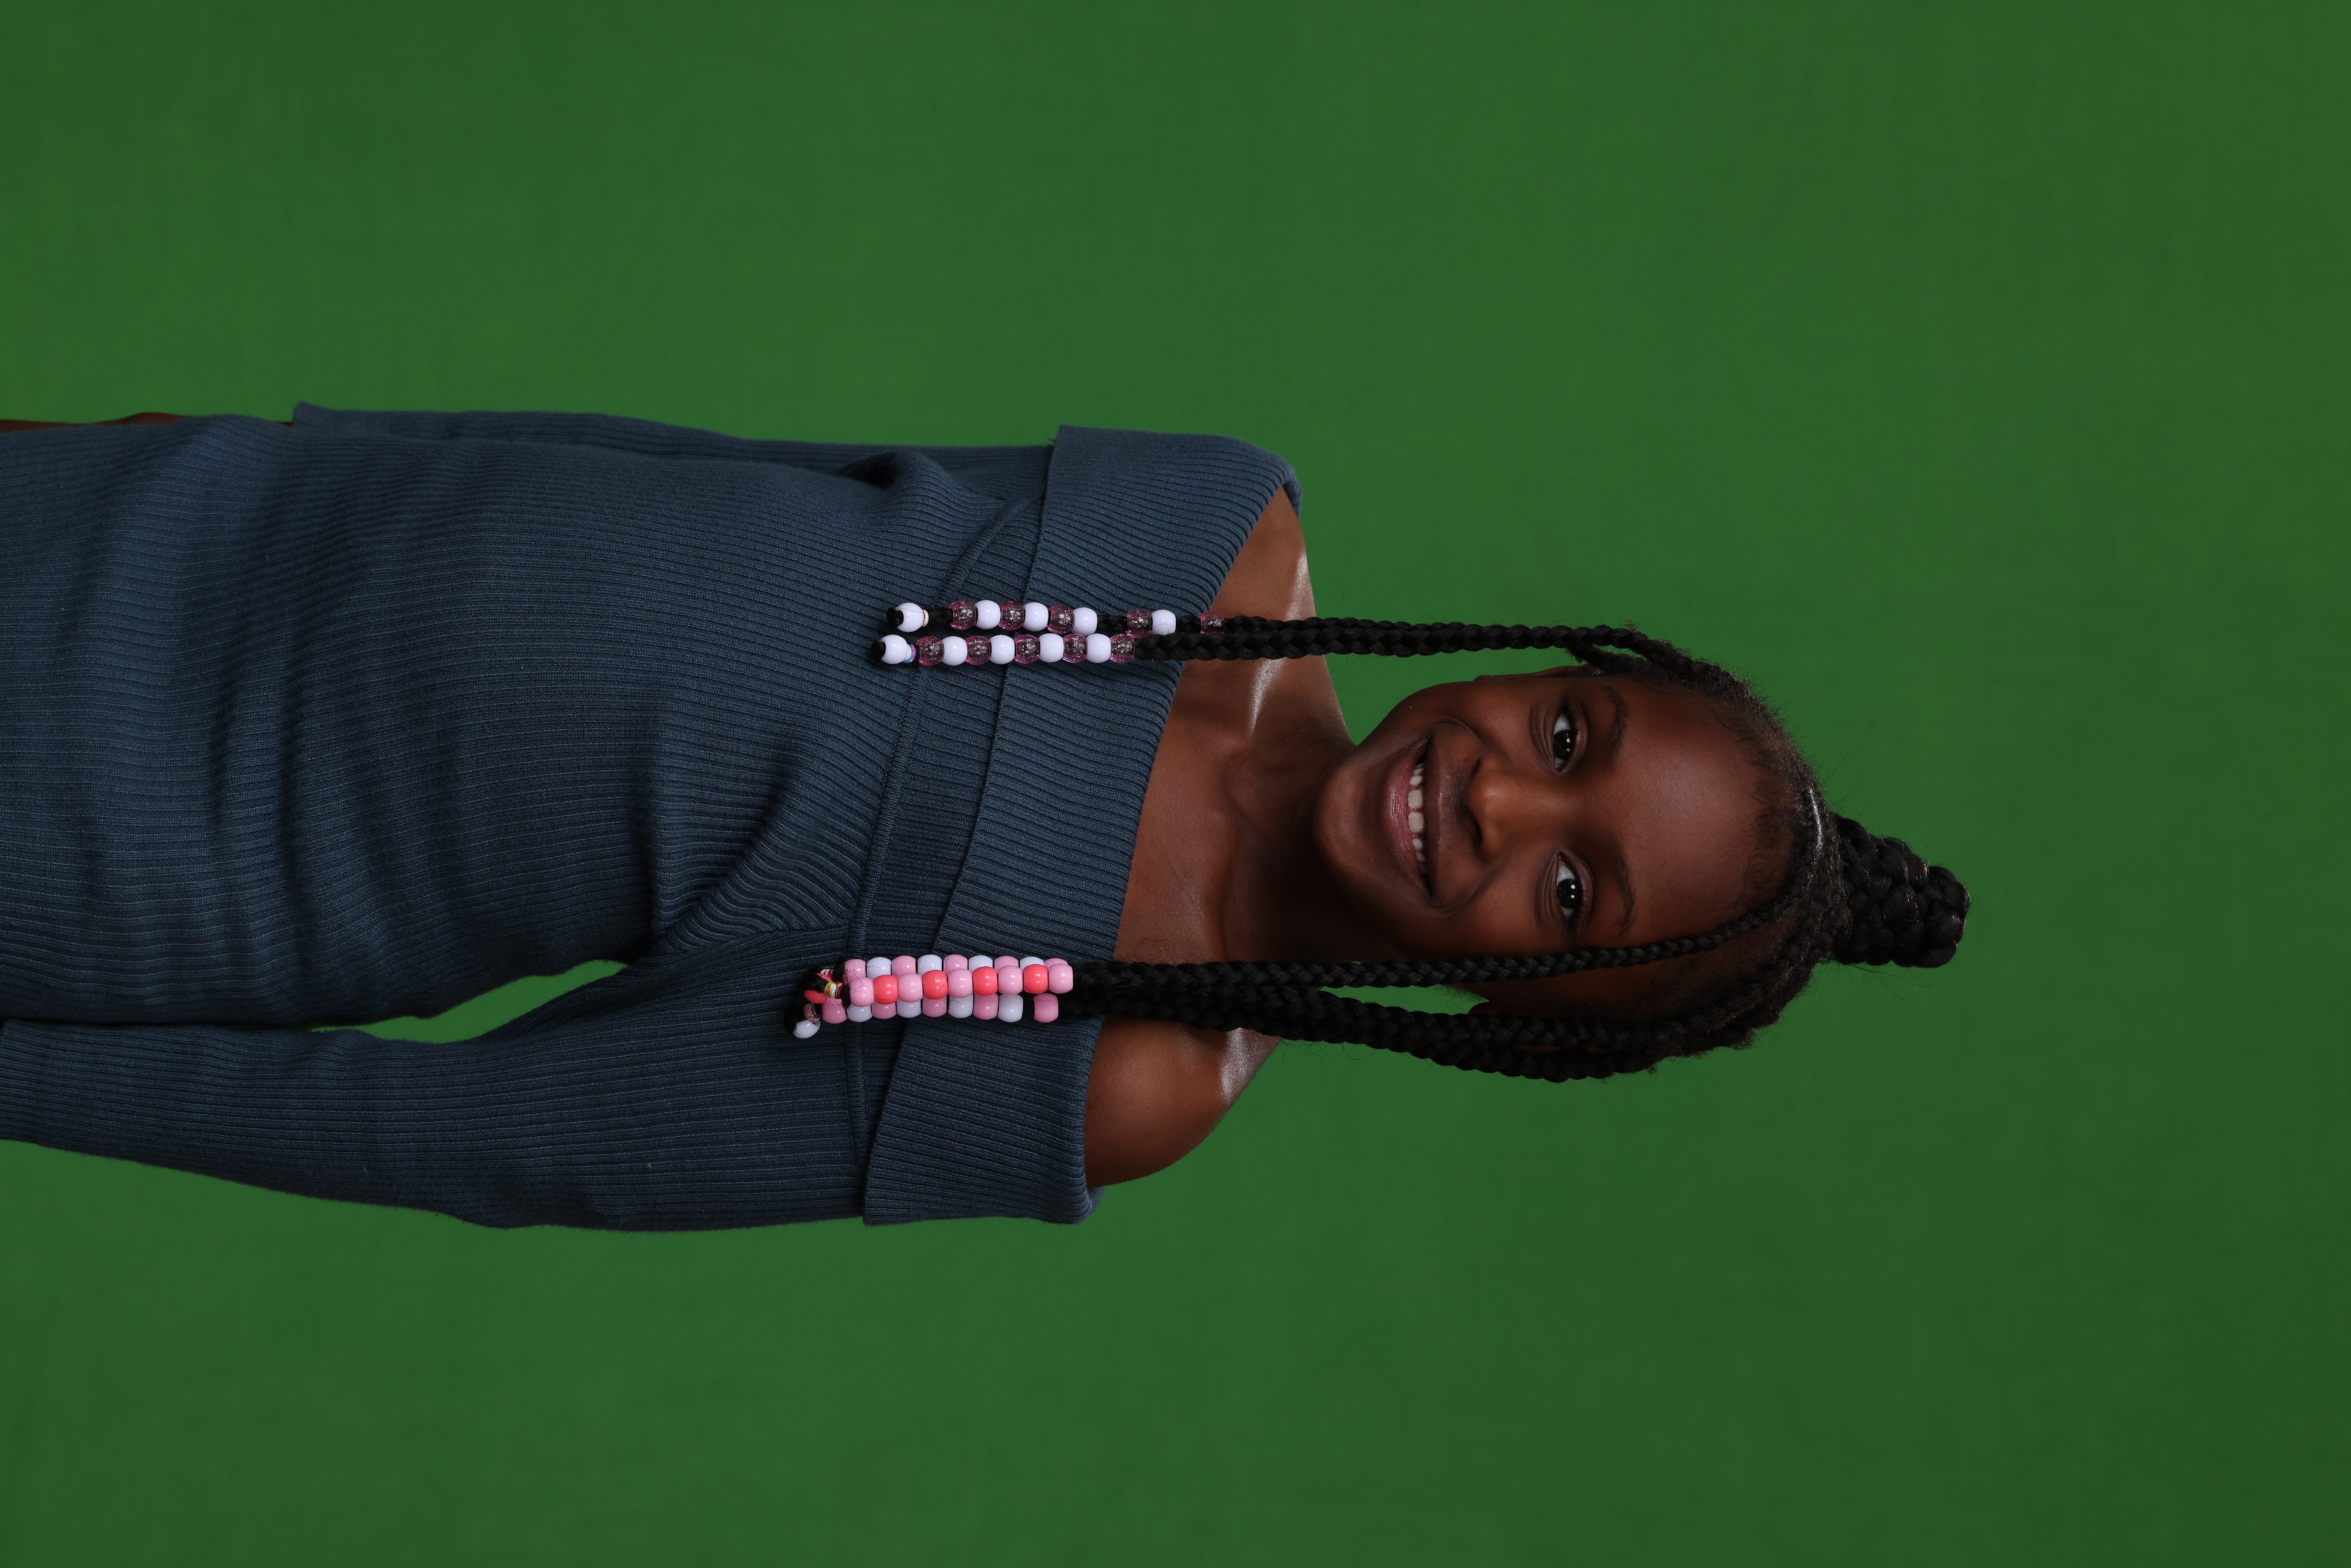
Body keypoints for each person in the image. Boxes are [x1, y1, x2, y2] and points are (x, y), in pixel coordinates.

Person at [0, 407, 1968, 1230]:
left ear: (1532, 1014)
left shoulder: (1124, 1066)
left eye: (1571, 891)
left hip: (136, 856)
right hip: (170, 529)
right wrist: (234, 440)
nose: (1501, 795)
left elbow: (509, 1142)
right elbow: (693, 470)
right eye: (1569, 729)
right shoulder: (1216, 529)